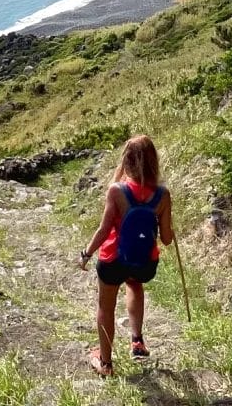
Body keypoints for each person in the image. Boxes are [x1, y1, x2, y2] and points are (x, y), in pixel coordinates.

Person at [78, 134, 174, 377]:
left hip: (114, 260)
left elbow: (104, 230)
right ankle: (137, 342)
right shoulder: (163, 195)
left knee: (105, 307)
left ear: (126, 161)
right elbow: (166, 239)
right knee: (135, 284)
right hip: (144, 262)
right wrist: (171, 226)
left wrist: (87, 253)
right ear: (154, 160)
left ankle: (106, 363)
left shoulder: (116, 191)